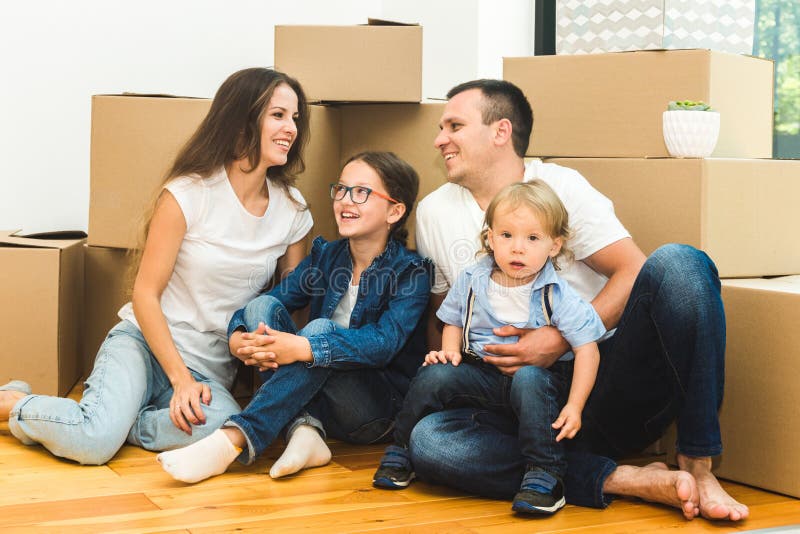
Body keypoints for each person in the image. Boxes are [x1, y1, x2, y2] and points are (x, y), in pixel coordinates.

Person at [408, 79, 749, 521]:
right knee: (430, 442)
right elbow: (440, 317)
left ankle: (699, 466)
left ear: (500, 131)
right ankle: (616, 479)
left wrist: (560, 341)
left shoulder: (559, 185)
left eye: (453, 125)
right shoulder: (434, 211)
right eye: (439, 128)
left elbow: (632, 270)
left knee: (680, 264)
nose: (439, 139)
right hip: (511, 404)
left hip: (602, 383)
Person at [0, 67, 314, 464]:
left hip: (210, 371)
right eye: (278, 115)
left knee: (229, 424)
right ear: (239, 122)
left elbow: (290, 303)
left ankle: (115, 422)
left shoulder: (292, 212)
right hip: (144, 345)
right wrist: (179, 379)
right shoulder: (187, 194)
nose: (291, 128)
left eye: (295, 118)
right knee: (92, 444)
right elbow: (145, 295)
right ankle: (16, 403)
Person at [157, 151, 432, 484]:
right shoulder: (326, 256)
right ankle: (304, 429)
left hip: (372, 410)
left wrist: (306, 347)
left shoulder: (411, 271)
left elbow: (383, 344)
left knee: (318, 331)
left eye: (361, 192)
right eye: (341, 189)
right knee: (261, 311)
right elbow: (269, 301)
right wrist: (237, 335)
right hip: (316, 395)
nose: (346, 200)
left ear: (395, 210)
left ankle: (234, 438)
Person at [373, 180, 607, 516]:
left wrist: (574, 405)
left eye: (532, 238)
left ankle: (546, 473)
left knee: (528, 379)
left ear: (554, 246)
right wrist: (450, 352)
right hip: (484, 376)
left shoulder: (557, 293)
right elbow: (451, 320)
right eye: (507, 235)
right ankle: (402, 450)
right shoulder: (472, 279)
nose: (517, 249)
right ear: (490, 239)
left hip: (540, 384)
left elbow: (588, 349)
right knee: (434, 374)